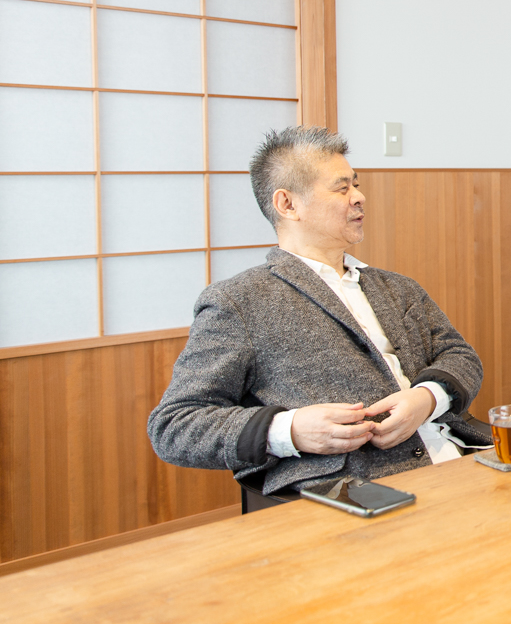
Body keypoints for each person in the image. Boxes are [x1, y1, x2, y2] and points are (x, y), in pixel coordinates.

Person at [148, 126, 491, 496]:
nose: (359, 197)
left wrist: (428, 398)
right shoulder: (238, 302)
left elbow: (460, 355)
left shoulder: (397, 287)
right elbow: (174, 426)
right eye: (342, 188)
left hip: (464, 458)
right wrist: (290, 430)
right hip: (362, 489)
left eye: (356, 184)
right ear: (287, 205)